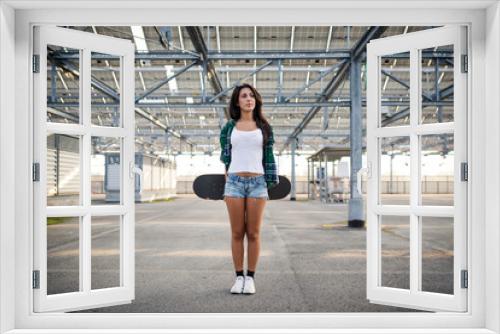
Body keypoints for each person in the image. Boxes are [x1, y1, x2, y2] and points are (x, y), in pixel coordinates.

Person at [219, 83, 279, 294]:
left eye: (251, 96)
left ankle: (250, 278)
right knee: (237, 232)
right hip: (234, 183)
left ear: (256, 100)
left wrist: (270, 179)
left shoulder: (264, 127)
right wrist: (227, 172)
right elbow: (225, 154)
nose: (248, 99)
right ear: (237, 101)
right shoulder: (229, 127)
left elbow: (268, 156)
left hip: (258, 183)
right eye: (244, 96)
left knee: (253, 233)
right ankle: (238, 278)